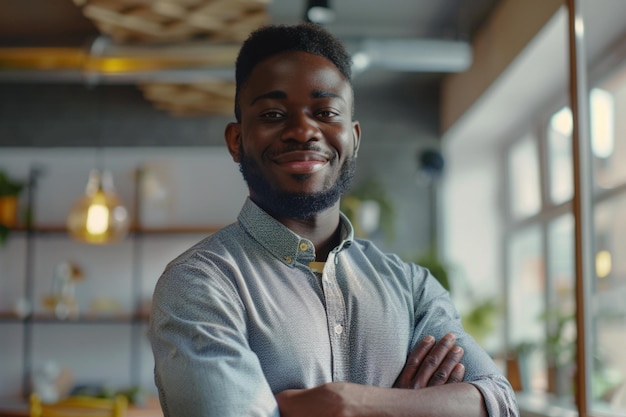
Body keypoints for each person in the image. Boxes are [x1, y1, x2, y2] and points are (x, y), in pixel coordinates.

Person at [148, 22, 519, 417]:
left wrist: (351, 404)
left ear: (354, 138)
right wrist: (413, 407)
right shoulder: (198, 284)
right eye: (273, 113)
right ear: (237, 141)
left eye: (325, 112)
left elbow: (497, 402)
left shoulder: (411, 288)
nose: (303, 129)